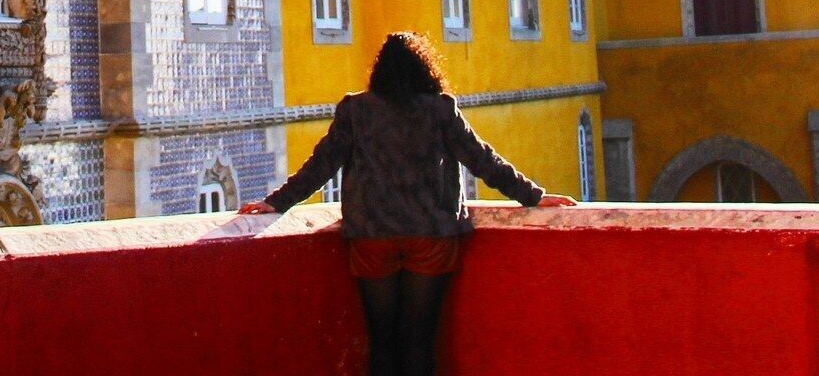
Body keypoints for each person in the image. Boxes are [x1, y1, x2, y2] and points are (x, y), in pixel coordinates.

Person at [241, 32, 574, 376]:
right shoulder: (441, 109)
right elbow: (482, 160)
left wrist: (275, 203)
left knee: (382, 339)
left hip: (372, 236)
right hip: (430, 236)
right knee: (419, 340)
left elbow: (321, 165)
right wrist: (533, 196)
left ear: (379, 72)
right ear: (424, 69)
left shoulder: (355, 110)